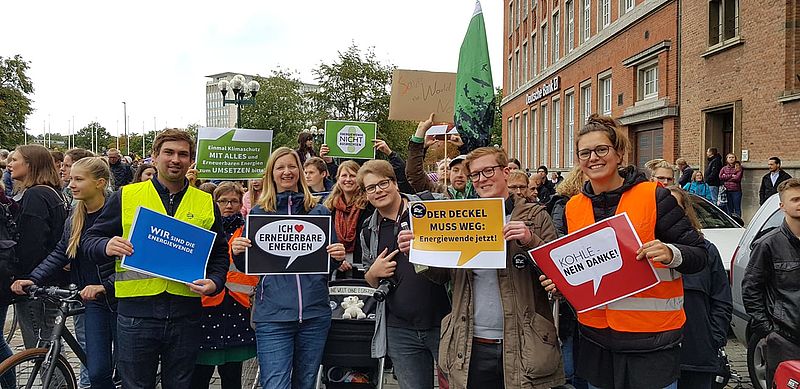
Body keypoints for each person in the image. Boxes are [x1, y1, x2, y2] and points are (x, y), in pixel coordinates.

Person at [539, 114, 707, 389]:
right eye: (585, 152)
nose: (593, 157)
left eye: (601, 149)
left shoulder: (653, 196)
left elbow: (699, 254)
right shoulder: (573, 207)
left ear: (619, 154)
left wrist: (671, 252)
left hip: (651, 342)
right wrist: (560, 283)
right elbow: (578, 270)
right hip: (597, 341)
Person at [399, 146, 565, 389]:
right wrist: (419, 253)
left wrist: (531, 241)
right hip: (470, 342)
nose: (481, 179)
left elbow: (559, 271)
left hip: (524, 341)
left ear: (506, 171)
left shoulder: (535, 215)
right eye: (475, 175)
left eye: (488, 171)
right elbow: (443, 276)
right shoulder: (460, 217)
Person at [82, 129, 229, 388]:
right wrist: (106, 244)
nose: (175, 159)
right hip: (136, 315)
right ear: (154, 156)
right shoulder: (126, 196)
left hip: (185, 313)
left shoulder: (205, 201)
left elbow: (219, 252)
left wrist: (215, 282)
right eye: (168, 152)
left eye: (183, 154)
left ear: (191, 160)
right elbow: (89, 240)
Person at [229, 147, 346, 389]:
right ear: (271, 174)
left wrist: (336, 256)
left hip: (315, 314)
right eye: (280, 167)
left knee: (305, 383)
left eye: (292, 166)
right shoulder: (259, 213)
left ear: (300, 172)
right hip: (273, 316)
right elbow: (249, 267)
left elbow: (327, 264)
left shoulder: (319, 212)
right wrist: (238, 252)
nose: (286, 171)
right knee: (276, 384)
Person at [12, 156, 118, 389]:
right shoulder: (75, 214)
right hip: (91, 300)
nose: (70, 184)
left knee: (126, 369)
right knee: (98, 371)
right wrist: (33, 278)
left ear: (100, 183)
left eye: (78, 179)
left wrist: (107, 285)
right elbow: (62, 251)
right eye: (70, 179)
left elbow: (130, 262)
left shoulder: (118, 213)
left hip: (121, 298)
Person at [359, 159, 450, 389]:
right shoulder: (369, 231)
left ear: (395, 183)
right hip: (400, 329)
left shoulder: (429, 210)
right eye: (371, 188)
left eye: (383, 183)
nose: (378, 191)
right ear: (366, 195)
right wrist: (373, 272)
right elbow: (371, 281)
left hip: (444, 321)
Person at [191, 182, 257, 389]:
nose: (229, 205)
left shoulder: (248, 231)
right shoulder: (204, 228)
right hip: (207, 305)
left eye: (234, 201)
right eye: (223, 201)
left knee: (232, 372)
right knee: (200, 370)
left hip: (237, 306)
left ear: (240, 204)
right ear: (215, 202)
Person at [667, 187, 732, 389]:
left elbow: (721, 299)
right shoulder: (641, 253)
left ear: (685, 212)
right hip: (656, 358)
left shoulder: (707, 250)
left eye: (673, 207)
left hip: (698, 356)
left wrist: (714, 338)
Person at [6, 144, 69, 349]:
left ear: (30, 164)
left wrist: (23, 278)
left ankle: (57, 384)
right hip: (49, 280)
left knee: (41, 352)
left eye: (15, 159)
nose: (10, 163)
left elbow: (32, 245)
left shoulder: (36, 195)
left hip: (36, 286)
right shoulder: (52, 192)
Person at [742, 178, 800, 387]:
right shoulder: (768, 244)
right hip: (786, 338)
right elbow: (751, 289)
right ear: (782, 206)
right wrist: (768, 330)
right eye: (795, 199)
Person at [544, 164, 588, 388]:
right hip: (573, 277)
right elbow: (559, 239)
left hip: (585, 279)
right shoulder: (564, 205)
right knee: (570, 343)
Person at [405, 114, 477, 199]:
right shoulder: (438, 192)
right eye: (455, 170)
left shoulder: (480, 191)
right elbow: (414, 174)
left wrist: (464, 148)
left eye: (465, 171)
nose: (460, 175)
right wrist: (420, 133)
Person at [323, 160, 374, 271]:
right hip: (334, 267)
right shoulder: (328, 207)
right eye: (344, 175)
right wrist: (336, 261)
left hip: (363, 266)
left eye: (352, 176)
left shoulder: (370, 205)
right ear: (338, 179)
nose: (348, 179)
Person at [719, 153, 743, 217]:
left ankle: (738, 222)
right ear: (727, 159)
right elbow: (721, 177)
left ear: (735, 159)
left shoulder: (738, 168)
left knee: (737, 208)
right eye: (729, 157)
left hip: (736, 190)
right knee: (729, 208)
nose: (731, 158)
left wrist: (726, 178)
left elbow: (737, 178)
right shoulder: (724, 168)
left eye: (732, 157)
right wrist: (731, 176)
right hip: (726, 190)